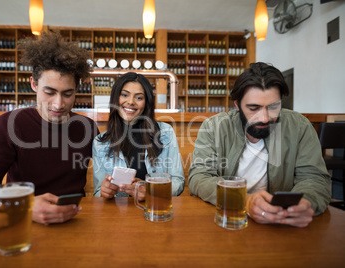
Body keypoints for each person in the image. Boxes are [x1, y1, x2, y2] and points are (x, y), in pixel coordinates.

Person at [0, 31, 99, 225]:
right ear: (34, 84)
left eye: (67, 94)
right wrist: (23, 206)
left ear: (77, 89)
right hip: (23, 222)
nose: (58, 104)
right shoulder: (10, 125)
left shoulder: (88, 128)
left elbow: (108, 175)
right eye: (49, 92)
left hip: (75, 221)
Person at [188, 62, 331, 228]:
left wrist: (307, 202)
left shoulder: (300, 126)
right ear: (237, 105)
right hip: (228, 219)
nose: (264, 118)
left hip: (282, 225)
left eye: (273, 107)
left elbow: (314, 178)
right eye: (254, 108)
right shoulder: (214, 127)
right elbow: (200, 177)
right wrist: (244, 200)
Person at [93, 72, 185, 200]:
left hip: (155, 210)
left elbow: (178, 181)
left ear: (147, 102)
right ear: (115, 98)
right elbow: (98, 192)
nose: (130, 102)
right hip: (119, 215)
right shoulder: (100, 142)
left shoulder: (165, 132)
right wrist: (104, 192)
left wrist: (151, 191)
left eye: (139, 98)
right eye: (124, 95)